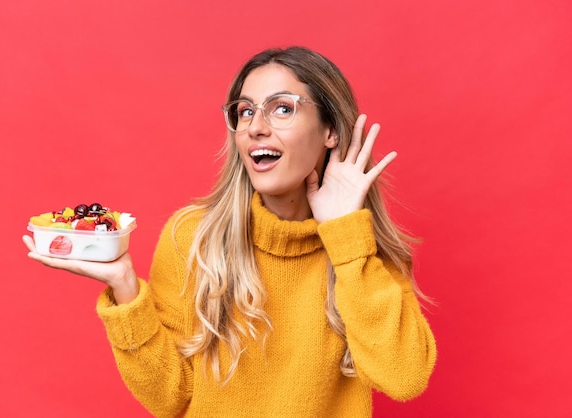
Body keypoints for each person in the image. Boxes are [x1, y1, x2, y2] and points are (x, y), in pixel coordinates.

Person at [23, 46, 436, 417]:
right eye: (245, 111)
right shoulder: (193, 236)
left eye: (283, 108)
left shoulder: (360, 250)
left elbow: (404, 378)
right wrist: (126, 287)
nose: (256, 126)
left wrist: (345, 235)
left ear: (330, 131)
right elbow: (171, 397)